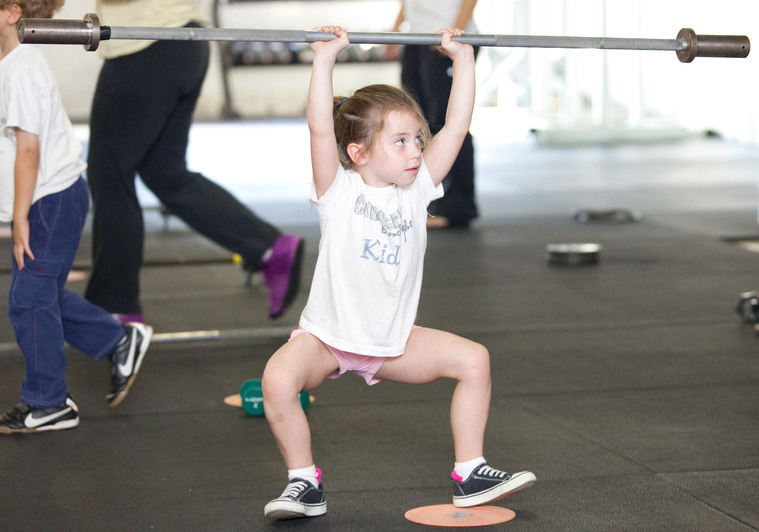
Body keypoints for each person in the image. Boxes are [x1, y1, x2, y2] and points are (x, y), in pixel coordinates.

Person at [260, 25, 535, 521]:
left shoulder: (419, 190)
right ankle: (304, 484)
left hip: (392, 342)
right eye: (401, 141)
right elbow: (322, 128)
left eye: (416, 140)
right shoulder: (339, 192)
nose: (415, 152)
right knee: (278, 380)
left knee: (475, 361)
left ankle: (470, 472)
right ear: (359, 153)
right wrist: (324, 60)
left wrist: (464, 62)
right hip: (328, 338)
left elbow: (455, 127)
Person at [84, 0, 304, 323]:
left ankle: (115, 308)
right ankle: (270, 247)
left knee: (110, 172)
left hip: (146, 44)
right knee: (166, 173)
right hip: (184, 43)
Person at [0, 0, 152, 434]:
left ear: (13, 12)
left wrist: (20, 215)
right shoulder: (10, 65)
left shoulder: (23, 70)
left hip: (50, 201)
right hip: (48, 200)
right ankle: (118, 340)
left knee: (29, 299)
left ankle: (48, 403)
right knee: (39, 294)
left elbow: (29, 151)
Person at [388, 0, 480, 229]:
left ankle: (459, 208)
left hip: (447, 39)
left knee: (448, 123)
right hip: (417, 39)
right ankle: (427, 200)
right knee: (416, 123)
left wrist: (453, 36)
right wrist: (395, 30)